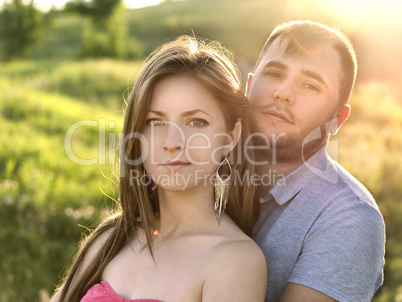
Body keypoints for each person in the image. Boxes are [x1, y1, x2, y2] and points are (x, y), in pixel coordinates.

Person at [50, 36, 267, 302]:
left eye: (196, 122)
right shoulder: (109, 239)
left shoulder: (235, 261)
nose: (172, 143)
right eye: (155, 122)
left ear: (230, 138)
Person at [247, 20, 385, 301]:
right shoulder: (198, 168)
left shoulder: (349, 219)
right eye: (274, 72)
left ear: (338, 119)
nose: (283, 93)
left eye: (310, 85)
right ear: (248, 84)